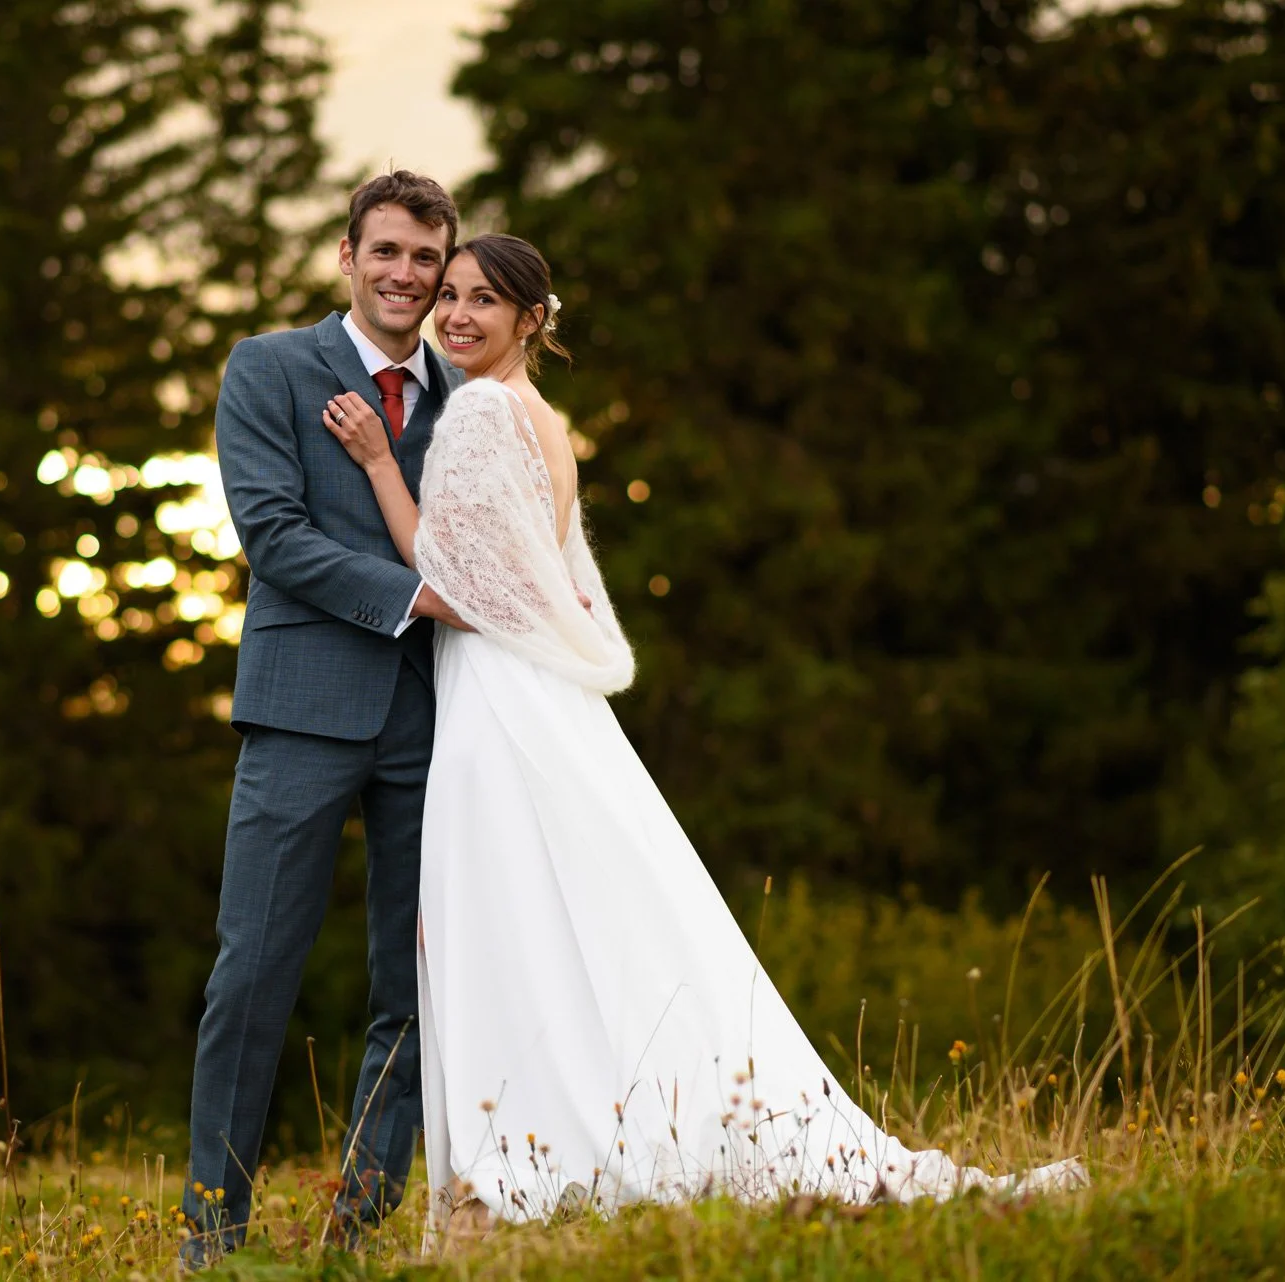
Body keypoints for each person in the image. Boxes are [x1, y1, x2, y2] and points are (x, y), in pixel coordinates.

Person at [320, 233, 1086, 1241]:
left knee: (509, 920)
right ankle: (582, 1135)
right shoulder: (545, 419)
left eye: (483, 301)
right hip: (542, 695)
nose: (456, 314)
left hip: (498, 700)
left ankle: (532, 1161)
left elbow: (453, 577)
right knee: (579, 916)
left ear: (530, 320)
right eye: (449, 295)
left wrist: (378, 462)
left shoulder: (478, 411)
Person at [182, 170, 469, 1267]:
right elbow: (274, 536)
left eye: (425, 258)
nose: (405, 275)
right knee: (252, 971)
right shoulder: (267, 368)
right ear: (347, 256)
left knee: (412, 981)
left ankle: (356, 1228)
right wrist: (414, 597)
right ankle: (214, 1230)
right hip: (301, 711)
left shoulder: (464, 395)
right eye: (386, 251)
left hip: (437, 720)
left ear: (446, 272)